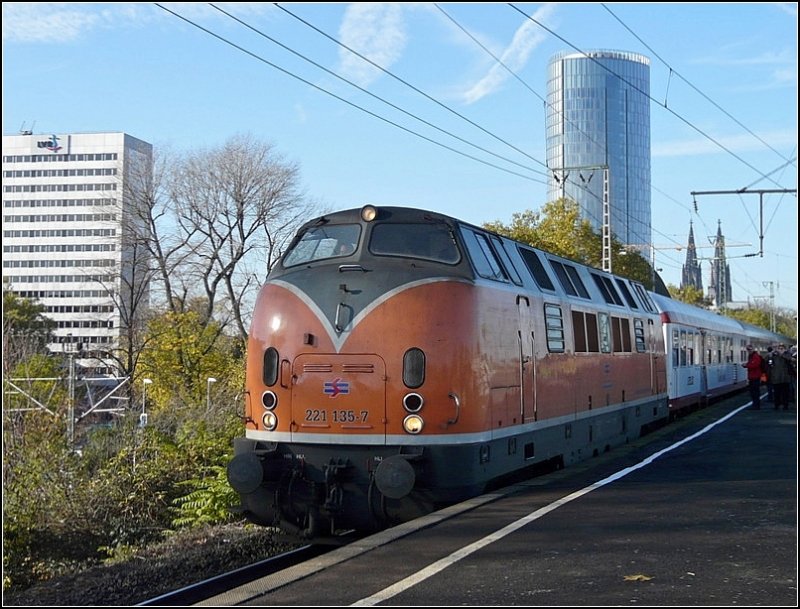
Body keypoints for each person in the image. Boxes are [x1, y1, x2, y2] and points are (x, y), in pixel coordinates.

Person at [769, 344, 796, 411]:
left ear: (784, 349)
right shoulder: (774, 355)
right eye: (779, 348)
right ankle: (776, 405)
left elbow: (792, 359)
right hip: (776, 377)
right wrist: (771, 354)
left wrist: (782, 354)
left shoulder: (787, 354)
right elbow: (769, 362)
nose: (780, 350)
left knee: (785, 393)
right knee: (776, 393)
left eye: (782, 348)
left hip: (785, 377)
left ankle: (785, 405)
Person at [742, 345, 763, 409]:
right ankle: (755, 404)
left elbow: (755, 365)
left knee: (755, 392)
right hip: (752, 377)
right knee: (753, 392)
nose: (749, 351)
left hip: (755, 376)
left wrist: (746, 365)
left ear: (753, 349)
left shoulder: (755, 356)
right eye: (748, 349)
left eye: (750, 349)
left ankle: (756, 405)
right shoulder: (752, 356)